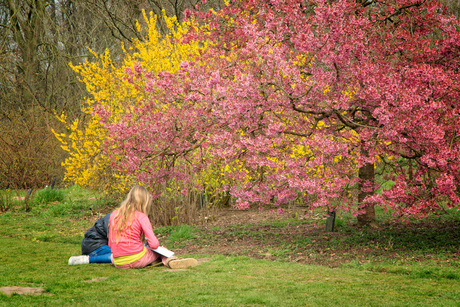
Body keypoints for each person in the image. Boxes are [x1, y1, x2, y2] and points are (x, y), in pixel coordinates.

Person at [109, 185, 198, 269]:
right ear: (145, 202)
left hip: (119, 262)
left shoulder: (114, 215)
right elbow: (154, 244)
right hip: (137, 259)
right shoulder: (141, 216)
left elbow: (110, 243)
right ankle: (171, 260)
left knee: (114, 256)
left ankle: (155, 262)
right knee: (160, 251)